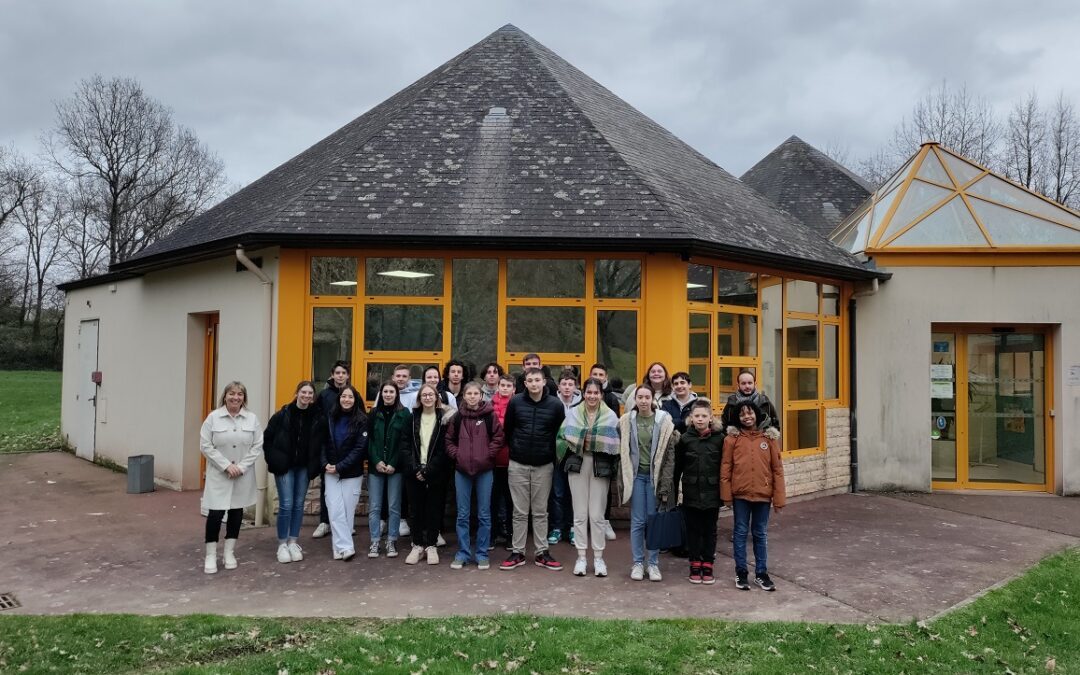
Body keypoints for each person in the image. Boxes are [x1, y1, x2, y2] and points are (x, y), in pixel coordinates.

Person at [500, 367, 566, 571]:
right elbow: (508, 430)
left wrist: (550, 455)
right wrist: (517, 450)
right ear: (525, 383)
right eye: (530, 380)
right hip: (518, 464)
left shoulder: (556, 405)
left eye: (538, 379)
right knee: (519, 512)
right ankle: (518, 552)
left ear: (544, 381)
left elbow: (559, 434)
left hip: (544, 465)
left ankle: (541, 553)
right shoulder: (516, 402)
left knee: (540, 512)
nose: (534, 383)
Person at [557, 378, 620, 577]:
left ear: (601, 394)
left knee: (597, 515)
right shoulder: (573, 413)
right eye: (589, 392)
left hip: (600, 466)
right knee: (580, 514)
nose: (592, 396)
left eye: (596, 393)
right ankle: (581, 557)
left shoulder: (611, 416)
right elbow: (561, 437)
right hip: (578, 464)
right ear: (583, 393)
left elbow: (616, 444)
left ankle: (599, 558)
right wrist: (575, 444)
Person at [721, 401, 786, 591]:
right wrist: (726, 495)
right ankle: (741, 573)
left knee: (760, 533)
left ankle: (761, 573)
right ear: (737, 418)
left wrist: (779, 498)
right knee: (740, 533)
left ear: (757, 415)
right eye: (742, 415)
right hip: (740, 495)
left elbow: (777, 470)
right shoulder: (731, 440)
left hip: (762, 495)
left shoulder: (769, 440)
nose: (747, 417)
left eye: (750, 413)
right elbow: (726, 468)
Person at [199, 381, 263, 574]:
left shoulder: (251, 419)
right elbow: (205, 445)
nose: (236, 397)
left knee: (236, 512)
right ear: (225, 396)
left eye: (240, 394)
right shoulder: (213, 418)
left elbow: (257, 445)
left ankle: (229, 552)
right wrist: (226, 465)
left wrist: (241, 467)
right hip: (219, 474)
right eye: (232, 394)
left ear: (244, 397)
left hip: (242, 475)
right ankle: (211, 554)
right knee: (216, 514)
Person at [618, 385, 677, 582]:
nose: (643, 400)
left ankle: (653, 564)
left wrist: (665, 482)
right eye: (639, 397)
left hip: (654, 477)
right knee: (637, 521)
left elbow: (668, 454)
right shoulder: (627, 421)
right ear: (635, 399)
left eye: (646, 397)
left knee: (654, 521)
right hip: (636, 477)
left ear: (653, 399)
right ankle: (637, 563)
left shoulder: (663, 420)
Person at [264, 380, 326, 564]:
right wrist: (274, 459)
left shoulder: (317, 417)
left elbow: (321, 442)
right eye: (303, 392)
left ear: (313, 397)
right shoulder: (283, 414)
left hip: (303, 467)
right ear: (297, 393)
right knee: (286, 504)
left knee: (299, 504)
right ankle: (282, 544)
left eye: (310, 393)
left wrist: (314, 464)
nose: (306, 396)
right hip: (285, 466)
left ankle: (293, 541)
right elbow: (267, 439)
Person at [446, 381, 504, 570]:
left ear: (481, 396)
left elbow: (498, 437)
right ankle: (462, 553)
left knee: (484, 514)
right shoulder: (457, 417)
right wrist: (458, 455)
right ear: (464, 396)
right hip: (462, 471)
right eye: (468, 393)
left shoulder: (489, 416)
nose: (472, 396)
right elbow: (449, 440)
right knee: (462, 514)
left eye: (475, 393)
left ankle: (482, 553)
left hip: (485, 470)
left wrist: (488, 454)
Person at [399, 383, 451, 566]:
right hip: (414, 471)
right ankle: (417, 545)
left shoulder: (443, 419)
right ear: (419, 399)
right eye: (424, 395)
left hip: (435, 472)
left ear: (436, 398)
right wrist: (416, 469)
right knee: (416, 510)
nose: (428, 398)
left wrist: (429, 470)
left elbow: (444, 449)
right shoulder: (411, 419)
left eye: (431, 395)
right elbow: (404, 446)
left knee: (434, 509)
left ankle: (431, 545)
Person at [673, 399, 724, 584]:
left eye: (704, 416)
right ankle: (694, 563)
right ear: (691, 418)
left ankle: (708, 563)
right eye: (697, 416)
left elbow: (725, 468)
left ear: (711, 418)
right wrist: (672, 491)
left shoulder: (720, 439)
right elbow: (677, 468)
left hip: (712, 493)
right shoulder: (685, 439)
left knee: (710, 530)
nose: (700, 419)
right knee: (693, 530)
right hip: (691, 492)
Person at [321, 385, 368, 561]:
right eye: (343, 396)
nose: (346, 400)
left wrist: (340, 466)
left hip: (351, 473)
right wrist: (326, 464)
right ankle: (346, 547)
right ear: (339, 398)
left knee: (347, 511)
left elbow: (359, 449)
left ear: (355, 400)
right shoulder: (330, 418)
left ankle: (338, 548)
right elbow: (323, 444)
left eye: (350, 397)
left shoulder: (362, 420)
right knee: (334, 510)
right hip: (330, 472)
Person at [366, 380, 411, 558]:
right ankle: (375, 541)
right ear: (381, 394)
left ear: (396, 394)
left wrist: (393, 462)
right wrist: (376, 460)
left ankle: (391, 540)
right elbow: (369, 440)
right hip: (376, 468)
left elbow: (404, 442)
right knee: (375, 507)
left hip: (396, 468)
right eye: (385, 392)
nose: (388, 395)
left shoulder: (404, 413)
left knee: (394, 506)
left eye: (391, 392)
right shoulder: (374, 412)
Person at [313, 360, 351, 540]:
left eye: (343, 373)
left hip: (346, 449)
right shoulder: (324, 395)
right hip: (328, 447)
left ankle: (344, 524)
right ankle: (324, 522)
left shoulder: (353, 394)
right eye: (338, 373)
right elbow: (318, 418)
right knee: (326, 488)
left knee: (345, 491)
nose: (340, 376)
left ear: (347, 375)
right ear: (332, 375)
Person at [588, 363, 620, 542]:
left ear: (606, 377)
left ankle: (604, 521)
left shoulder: (612, 399)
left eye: (601, 374)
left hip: (604, 450)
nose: (598, 377)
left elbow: (613, 426)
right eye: (595, 374)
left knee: (604, 491)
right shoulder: (585, 396)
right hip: (586, 451)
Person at [548, 369, 580, 546]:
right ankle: (557, 528)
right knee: (558, 493)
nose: (567, 387)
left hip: (576, 456)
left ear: (575, 386)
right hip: (557, 455)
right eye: (564, 384)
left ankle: (574, 528)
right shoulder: (552, 403)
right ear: (558, 386)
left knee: (575, 493)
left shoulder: (581, 405)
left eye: (570, 384)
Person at [490, 373, 515, 547]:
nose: (505, 388)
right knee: (491, 498)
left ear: (514, 389)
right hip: (491, 459)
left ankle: (510, 535)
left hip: (512, 459)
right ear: (498, 386)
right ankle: (492, 533)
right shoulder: (488, 405)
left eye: (508, 386)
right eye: (502, 385)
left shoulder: (518, 405)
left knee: (510, 499)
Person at [720, 369, 780, 436]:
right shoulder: (732, 403)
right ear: (738, 385)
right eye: (743, 383)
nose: (747, 386)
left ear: (755, 384)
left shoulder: (765, 402)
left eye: (750, 383)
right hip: (739, 443)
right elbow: (724, 426)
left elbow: (775, 425)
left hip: (762, 443)